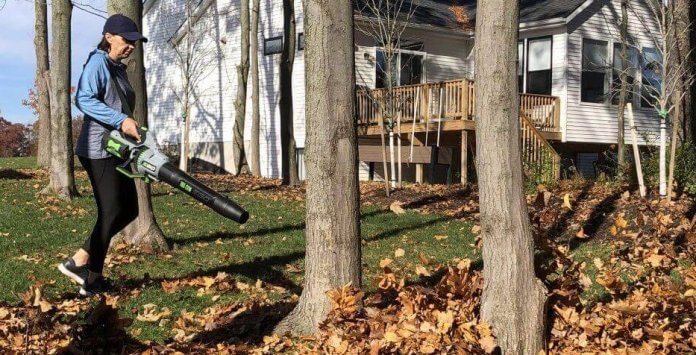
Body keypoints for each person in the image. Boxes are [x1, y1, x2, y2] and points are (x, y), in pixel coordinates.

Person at [57, 14, 148, 296]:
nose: (131, 45)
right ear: (108, 36)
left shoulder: (118, 68)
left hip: (117, 147)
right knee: (110, 211)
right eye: (126, 39)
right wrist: (121, 120)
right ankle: (86, 271)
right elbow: (83, 99)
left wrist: (130, 127)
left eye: (135, 41)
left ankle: (85, 269)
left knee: (129, 209)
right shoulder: (98, 62)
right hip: (97, 149)